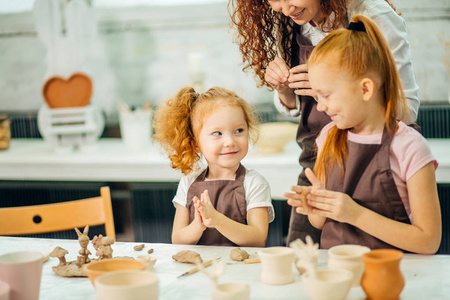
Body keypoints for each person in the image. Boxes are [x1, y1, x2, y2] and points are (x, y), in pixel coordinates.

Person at [229, 0, 420, 245]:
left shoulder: (372, 14)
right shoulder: (292, 21)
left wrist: (337, 83)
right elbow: (299, 107)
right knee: (301, 256)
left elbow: (407, 109)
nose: (284, 8)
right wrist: (284, 90)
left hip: (376, 159)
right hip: (318, 160)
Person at [284, 15, 441, 254]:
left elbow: (428, 241)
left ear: (365, 88)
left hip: (394, 276)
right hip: (340, 275)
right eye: (316, 98)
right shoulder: (327, 136)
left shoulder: (410, 147)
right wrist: (315, 207)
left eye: (326, 95)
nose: (321, 107)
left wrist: (355, 214)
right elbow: (321, 223)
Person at [153, 86, 274, 247]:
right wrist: (198, 226)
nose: (230, 141)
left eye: (238, 130)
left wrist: (217, 220)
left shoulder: (255, 183)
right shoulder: (188, 183)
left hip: (242, 269)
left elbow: (258, 238)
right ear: (196, 144)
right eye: (217, 133)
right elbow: (177, 239)